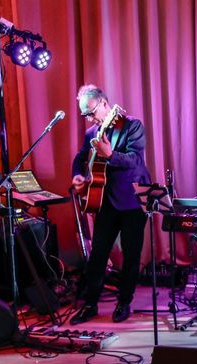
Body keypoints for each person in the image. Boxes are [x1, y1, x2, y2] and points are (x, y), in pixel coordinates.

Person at [70, 84, 151, 324]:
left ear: (105, 103)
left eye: (91, 112)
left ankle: (124, 302)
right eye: (84, 114)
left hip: (132, 201)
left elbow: (135, 160)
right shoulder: (91, 133)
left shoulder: (132, 125)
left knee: (131, 255)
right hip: (104, 201)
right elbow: (80, 157)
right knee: (98, 256)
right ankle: (91, 304)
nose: (88, 118)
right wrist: (77, 175)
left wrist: (110, 155)